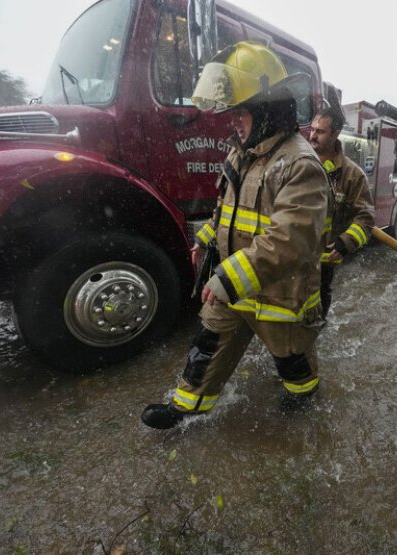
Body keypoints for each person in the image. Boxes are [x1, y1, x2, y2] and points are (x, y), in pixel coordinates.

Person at [141, 41, 329, 430]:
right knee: (207, 346)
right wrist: (206, 238)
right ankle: (184, 408)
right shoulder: (240, 154)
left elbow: (290, 239)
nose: (234, 123)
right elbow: (227, 213)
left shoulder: (300, 163)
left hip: (280, 295)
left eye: (240, 113)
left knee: (292, 360)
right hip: (234, 286)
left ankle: (304, 396)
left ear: (266, 110)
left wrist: (228, 277)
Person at [308, 108, 375, 319]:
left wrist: (344, 243)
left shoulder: (352, 175)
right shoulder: (297, 162)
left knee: (320, 297)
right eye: (311, 129)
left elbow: (365, 217)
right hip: (293, 253)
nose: (312, 135)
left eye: (320, 132)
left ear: (335, 134)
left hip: (323, 256)